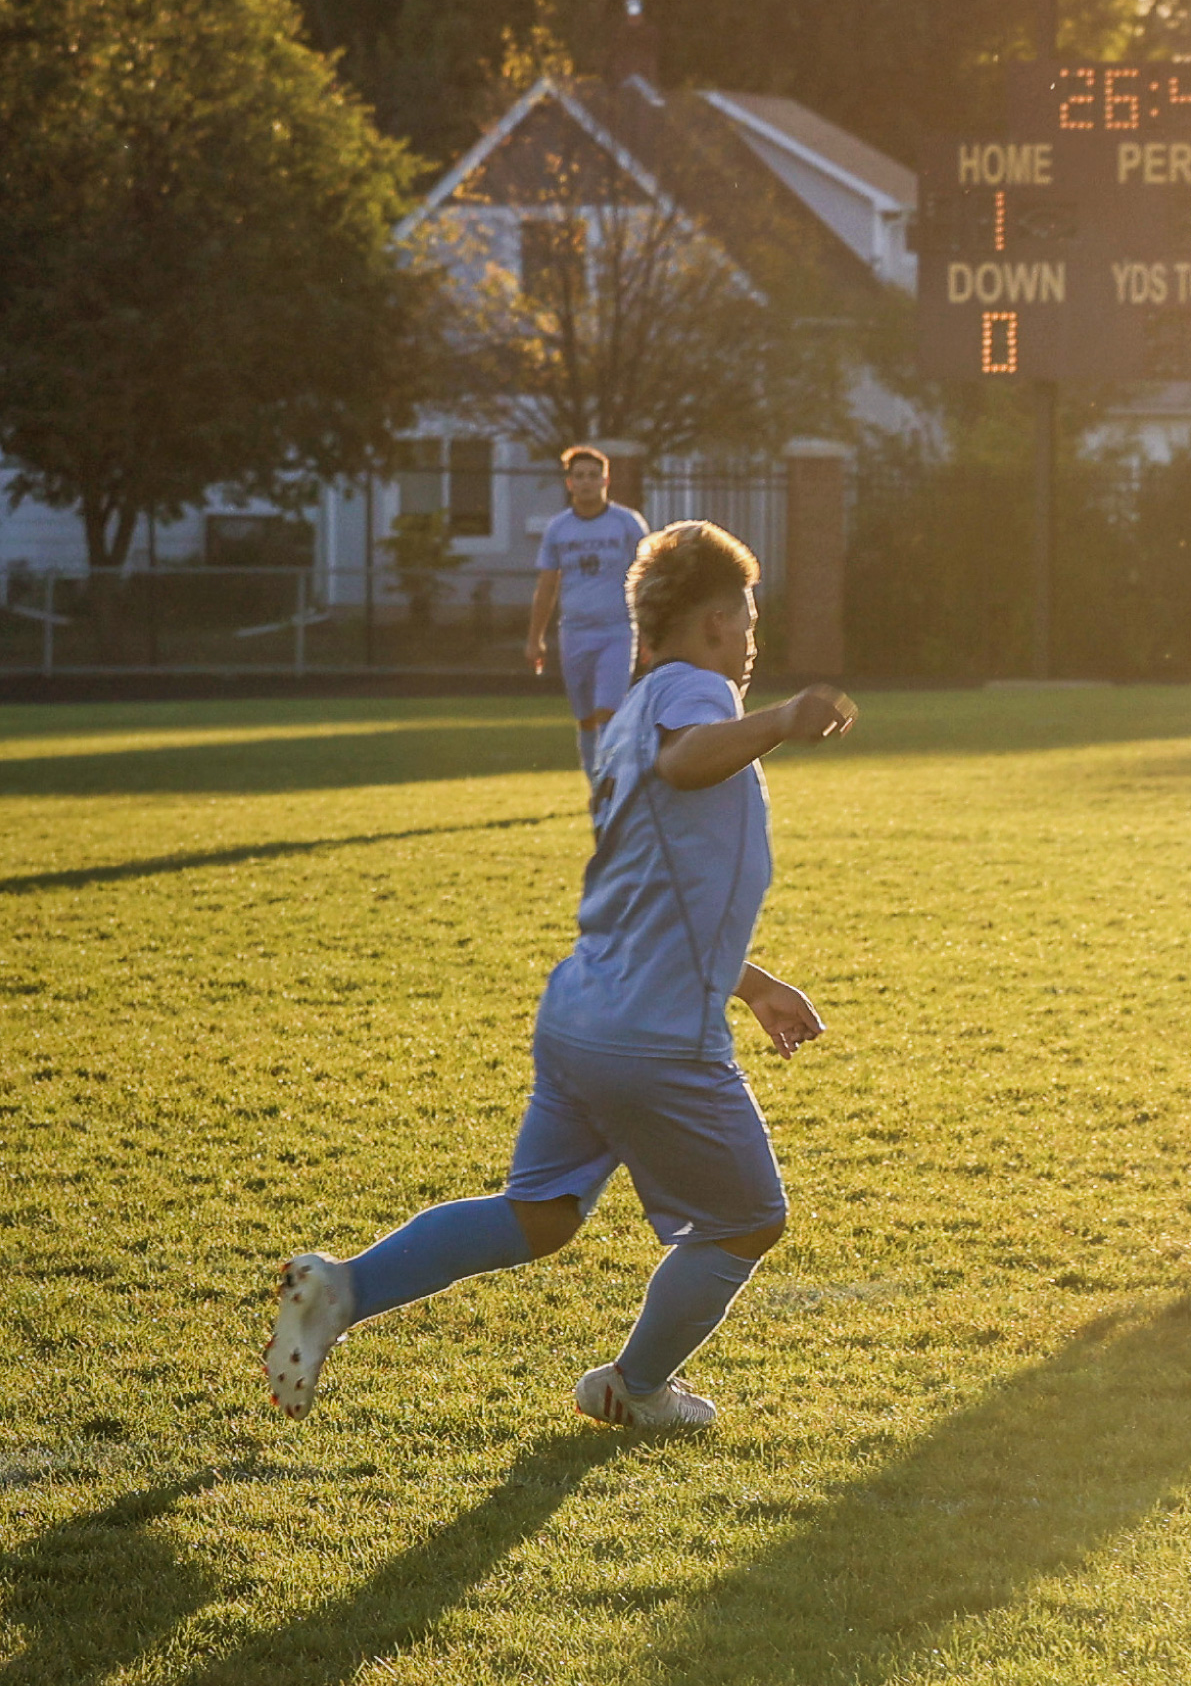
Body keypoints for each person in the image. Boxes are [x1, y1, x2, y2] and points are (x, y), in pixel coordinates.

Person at [265, 522, 857, 1429]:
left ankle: (343, 1290)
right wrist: (780, 720)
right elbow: (687, 756)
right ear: (709, 621)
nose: (750, 638)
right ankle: (637, 1387)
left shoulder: (627, 714)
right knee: (748, 1221)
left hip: (587, 1012)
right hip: (654, 1037)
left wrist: (753, 982)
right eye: (744, 617)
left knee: (541, 1215)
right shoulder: (694, 695)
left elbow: (657, 887)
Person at [528, 447, 652, 786]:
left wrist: (651, 632)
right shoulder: (559, 529)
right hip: (574, 633)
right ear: (570, 484)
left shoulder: (627, 524)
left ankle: (611, 782)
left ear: (606, 480)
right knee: (585, 718)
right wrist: (535, 638)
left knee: (607, 711)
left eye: (593, 475)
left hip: (617, 630)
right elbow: (547, 585)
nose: (586, 482)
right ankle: (594, 781)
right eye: (579, 476)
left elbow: (649, 578)